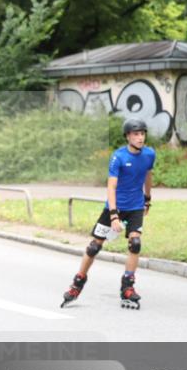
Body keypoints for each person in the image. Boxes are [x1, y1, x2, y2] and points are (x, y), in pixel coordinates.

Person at [61, 118, 155, 309]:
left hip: (136, 205)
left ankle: (127, 287)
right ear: (128, 136)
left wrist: (147, 198)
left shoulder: (149, 154)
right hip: (115, 206)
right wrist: (113, 215)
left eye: (142, 134)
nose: (140, 137)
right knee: (94, 247)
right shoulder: (118, 157)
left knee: (135, 244)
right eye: (136, 134)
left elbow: (147, 175)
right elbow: (111, 187)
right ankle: (77, 284)